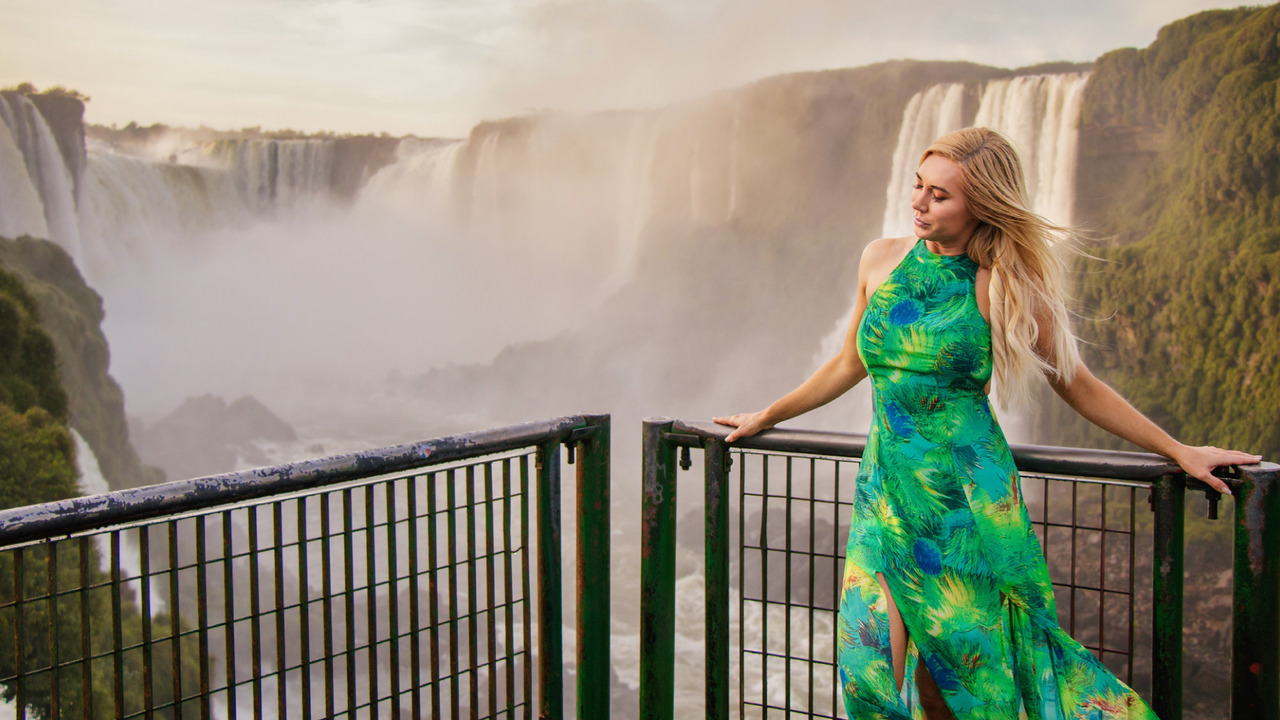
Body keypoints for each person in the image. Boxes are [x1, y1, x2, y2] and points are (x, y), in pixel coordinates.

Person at [714, 127, 1261, 720]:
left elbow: (1075, 383)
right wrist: (768, 414)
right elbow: (849, 362)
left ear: (983, 205)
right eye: (918, 186)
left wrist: (1177, 449)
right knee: (866, 673)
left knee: (962, 685)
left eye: (940, 195)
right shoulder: (881, 258)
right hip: (887, 494)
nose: (919, 203)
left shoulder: (1000, 283)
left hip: (967, 505)